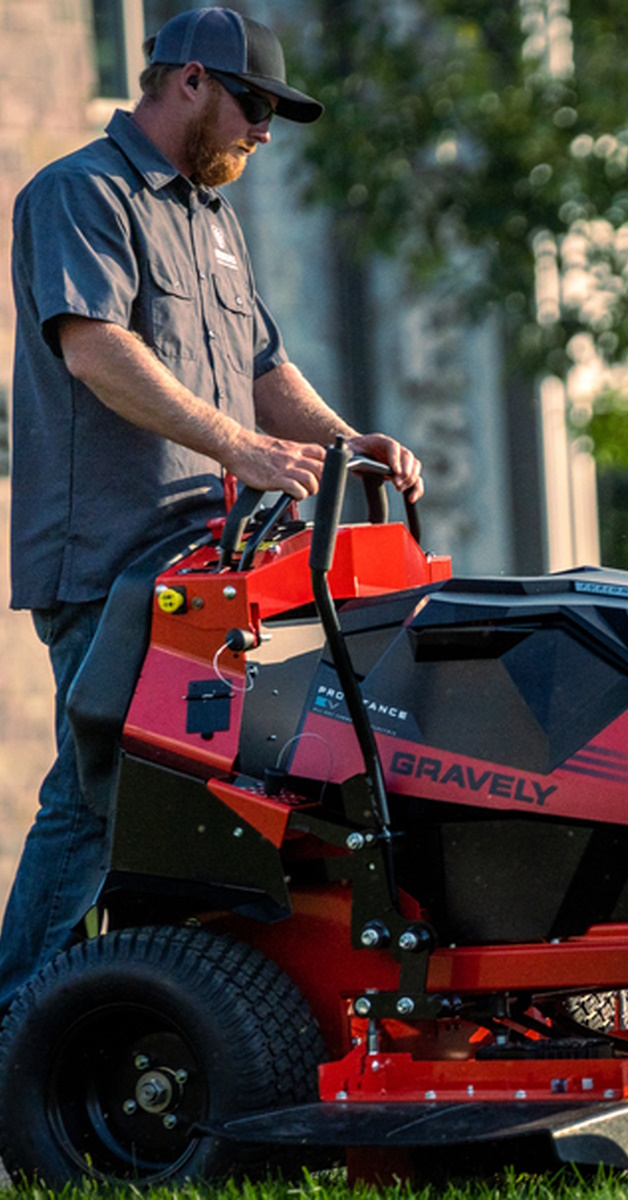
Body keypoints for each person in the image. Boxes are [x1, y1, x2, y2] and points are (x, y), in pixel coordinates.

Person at [1, 7, 423, 1014]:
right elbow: (95, 348)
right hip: (113, 561)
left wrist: (344, 443)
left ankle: (136, 1021)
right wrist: (237, 446)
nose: (264, 131)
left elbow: (264, 369)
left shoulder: (213, 220)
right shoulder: (78, 192)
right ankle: (20, 1030)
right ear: (188, 80)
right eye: (254, 104)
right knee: (103, 796)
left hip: (217, 567)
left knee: (214, 804)